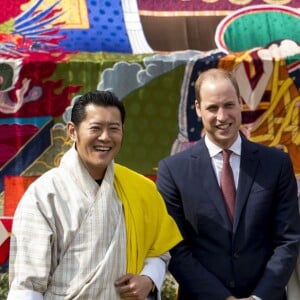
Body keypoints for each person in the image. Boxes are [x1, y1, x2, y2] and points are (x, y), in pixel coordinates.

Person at [8, 90, 182, 299]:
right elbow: (28, 286)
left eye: (114, 129)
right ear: (72, 131)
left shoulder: (141, 189)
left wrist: (148, 279)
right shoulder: (44, 195)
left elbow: (160, 250)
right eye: (96, 128)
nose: (105, 137)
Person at [156, 68, 300, 300]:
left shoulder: (276, 163)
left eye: (229, 105)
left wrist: (259, 297)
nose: (222, 116)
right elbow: (177, 249)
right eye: (213, 108)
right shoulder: (173, 171)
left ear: (241, 104)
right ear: (198, 109)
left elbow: (287, 239)